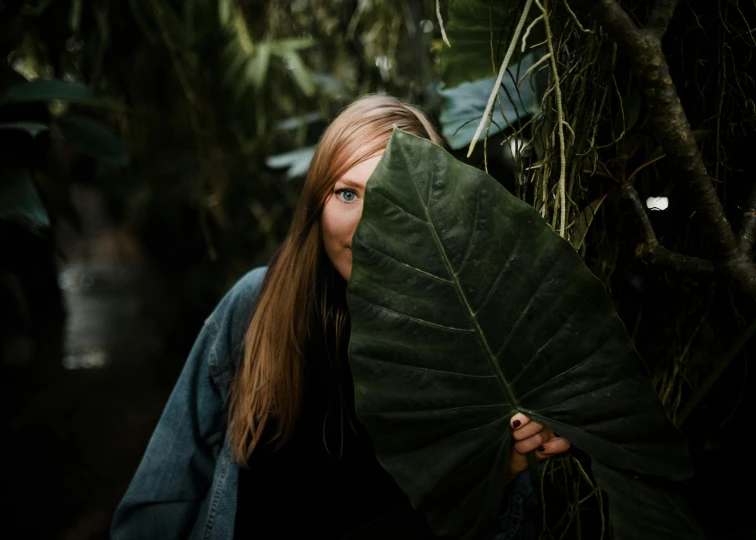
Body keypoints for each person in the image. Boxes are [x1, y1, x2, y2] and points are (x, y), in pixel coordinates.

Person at [111, 95, 571, 540]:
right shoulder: (256, 308)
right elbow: (159, 501)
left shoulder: (472, 339)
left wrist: (497, 474)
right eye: (347, 193)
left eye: (396, 196)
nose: (367, 224)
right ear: (317, 205)